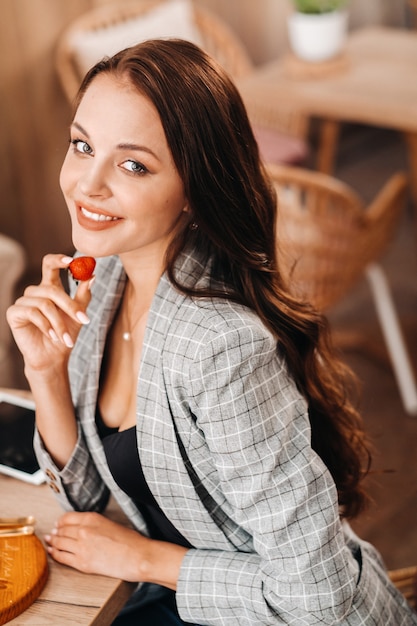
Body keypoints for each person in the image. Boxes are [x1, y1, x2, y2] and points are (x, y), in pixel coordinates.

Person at [7, 38, 416, 626]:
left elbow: (317, 599)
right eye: (81, 145)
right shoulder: (103, 280)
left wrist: (150, 561)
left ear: (194, 189)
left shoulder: (220, 348)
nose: (87, 185)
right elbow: (98, 504)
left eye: (132, 164)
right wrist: (45, 374)